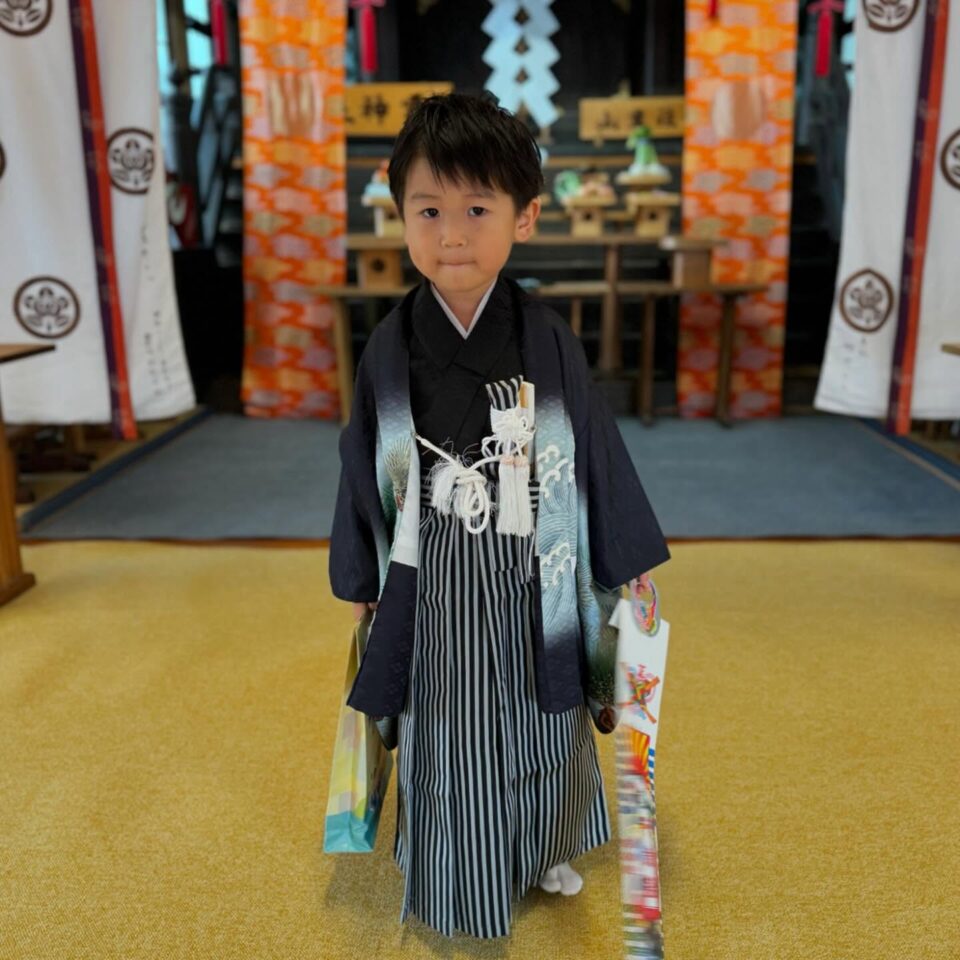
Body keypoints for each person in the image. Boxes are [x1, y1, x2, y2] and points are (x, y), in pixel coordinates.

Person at [329, 92, 670, 940]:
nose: (452, 233)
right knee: (448, 734)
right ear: (399, 214)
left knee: (542, 720)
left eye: (478, 209)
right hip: (431, 574)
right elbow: (363, 462)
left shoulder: (547, 337)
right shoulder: (388, 349)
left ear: (524, 218)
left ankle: (543, 841)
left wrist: (621, 562)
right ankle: (456, 876)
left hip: (535, 569)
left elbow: (591, 447)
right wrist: (365, 578)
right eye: (429, 209)